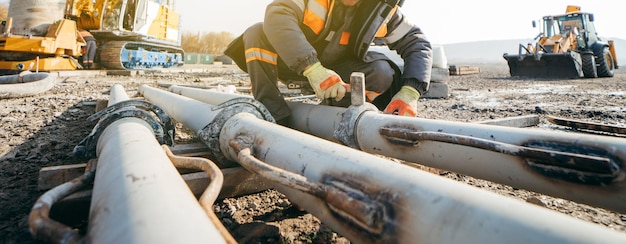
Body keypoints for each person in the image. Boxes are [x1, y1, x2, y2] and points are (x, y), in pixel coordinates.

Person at [224, 0, 432, 125]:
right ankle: (273, 115)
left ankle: (333, 119)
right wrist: (313, 69)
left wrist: (410, 92)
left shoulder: (382, 10)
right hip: (294, 64)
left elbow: (418, 44)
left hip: (338, 76)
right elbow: (278, 14)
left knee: (381, 71)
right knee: (256, 33)